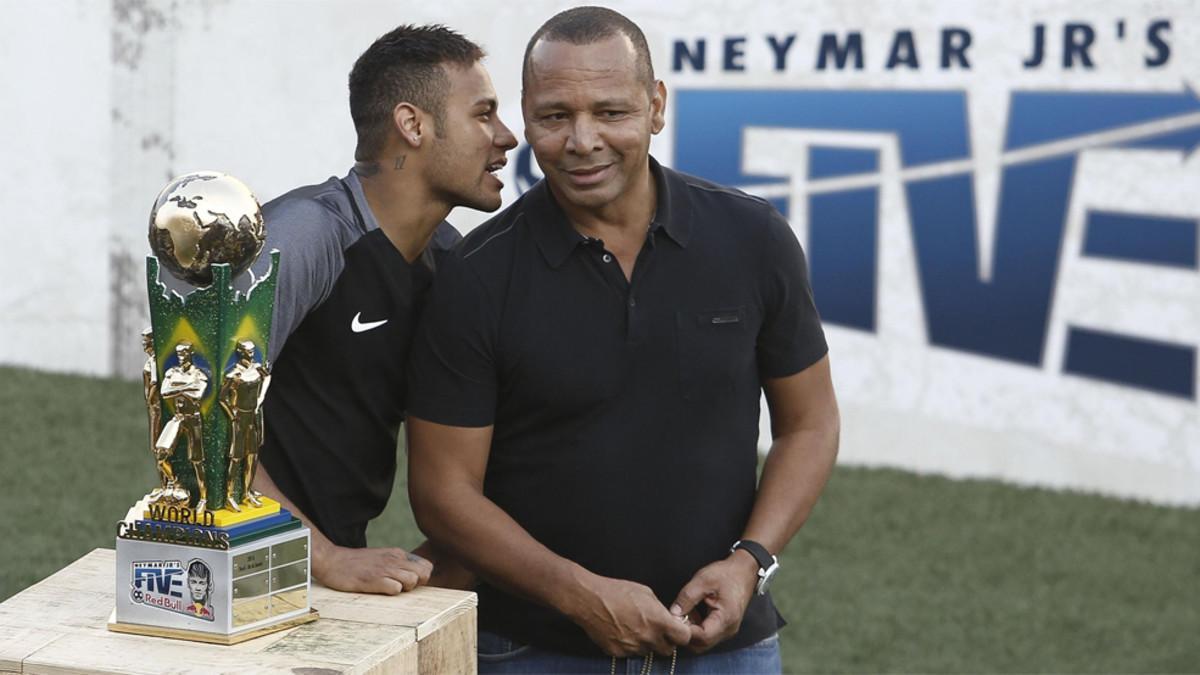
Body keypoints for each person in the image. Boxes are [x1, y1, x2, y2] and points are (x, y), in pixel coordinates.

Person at [406, 6, 839, 673]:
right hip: (531, 650)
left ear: (656, 105)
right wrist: (580, 596)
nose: (582, 140)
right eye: (555, 116)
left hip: (728, 648)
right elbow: (443, 492)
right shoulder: (474, 274)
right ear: (525, 116)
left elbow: (809, 424)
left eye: (611, 113)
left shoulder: (755, 239)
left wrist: (749, 559)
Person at [249, 24, 517, 595]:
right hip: (237, 568)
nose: (507, 136)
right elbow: (194, 415)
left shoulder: (448, 258)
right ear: (412, 124)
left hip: (329, 562)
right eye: (484, 115)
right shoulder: (304, 236)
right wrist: (325, 559)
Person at [218, 340, 270, 512]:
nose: (251, 354)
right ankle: (230, 495)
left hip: (254, 415)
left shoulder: (256, 368)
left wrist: (261, 398)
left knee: (252, 455)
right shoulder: (234, 375)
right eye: (247, 352)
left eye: (252, 351)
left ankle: (247, 492)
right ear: (241, 353)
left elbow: (267, 377)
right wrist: (232, 414)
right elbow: (221, 397)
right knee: (236, 457)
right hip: (239, 418)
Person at [157, 342, 209, 512]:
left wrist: (176, 387)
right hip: (178, 416)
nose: (181, 356)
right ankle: (172, 482)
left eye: (184, 353)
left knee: (197, 460)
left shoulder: (198, 374)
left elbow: (197, 394)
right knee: (161, 453)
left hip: (193, 418)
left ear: (190, 354)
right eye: (179, 353)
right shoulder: (172, 372)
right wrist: (186, 387)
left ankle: (203, 497)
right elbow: (164, 393)